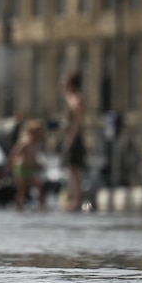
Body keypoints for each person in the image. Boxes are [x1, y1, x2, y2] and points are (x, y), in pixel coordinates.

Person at [60, 70, 87, 212]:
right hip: (70, 135)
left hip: (74, 136)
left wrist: (71, 136)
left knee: (74, 169)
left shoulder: (77, 98)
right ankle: (74, 198)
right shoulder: (69, 98)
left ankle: (77, 200)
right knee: (71, 169)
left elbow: (77, 120)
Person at [9, 119, 46, 211]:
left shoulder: (37, 143)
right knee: (22, 188)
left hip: (31, 168)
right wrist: (12, 164)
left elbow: (33, 156)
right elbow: (15, 153)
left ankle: (42, 204)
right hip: (22, 168)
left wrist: (38, 164)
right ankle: (19, 205)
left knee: (39, 186)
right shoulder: (25, 142)